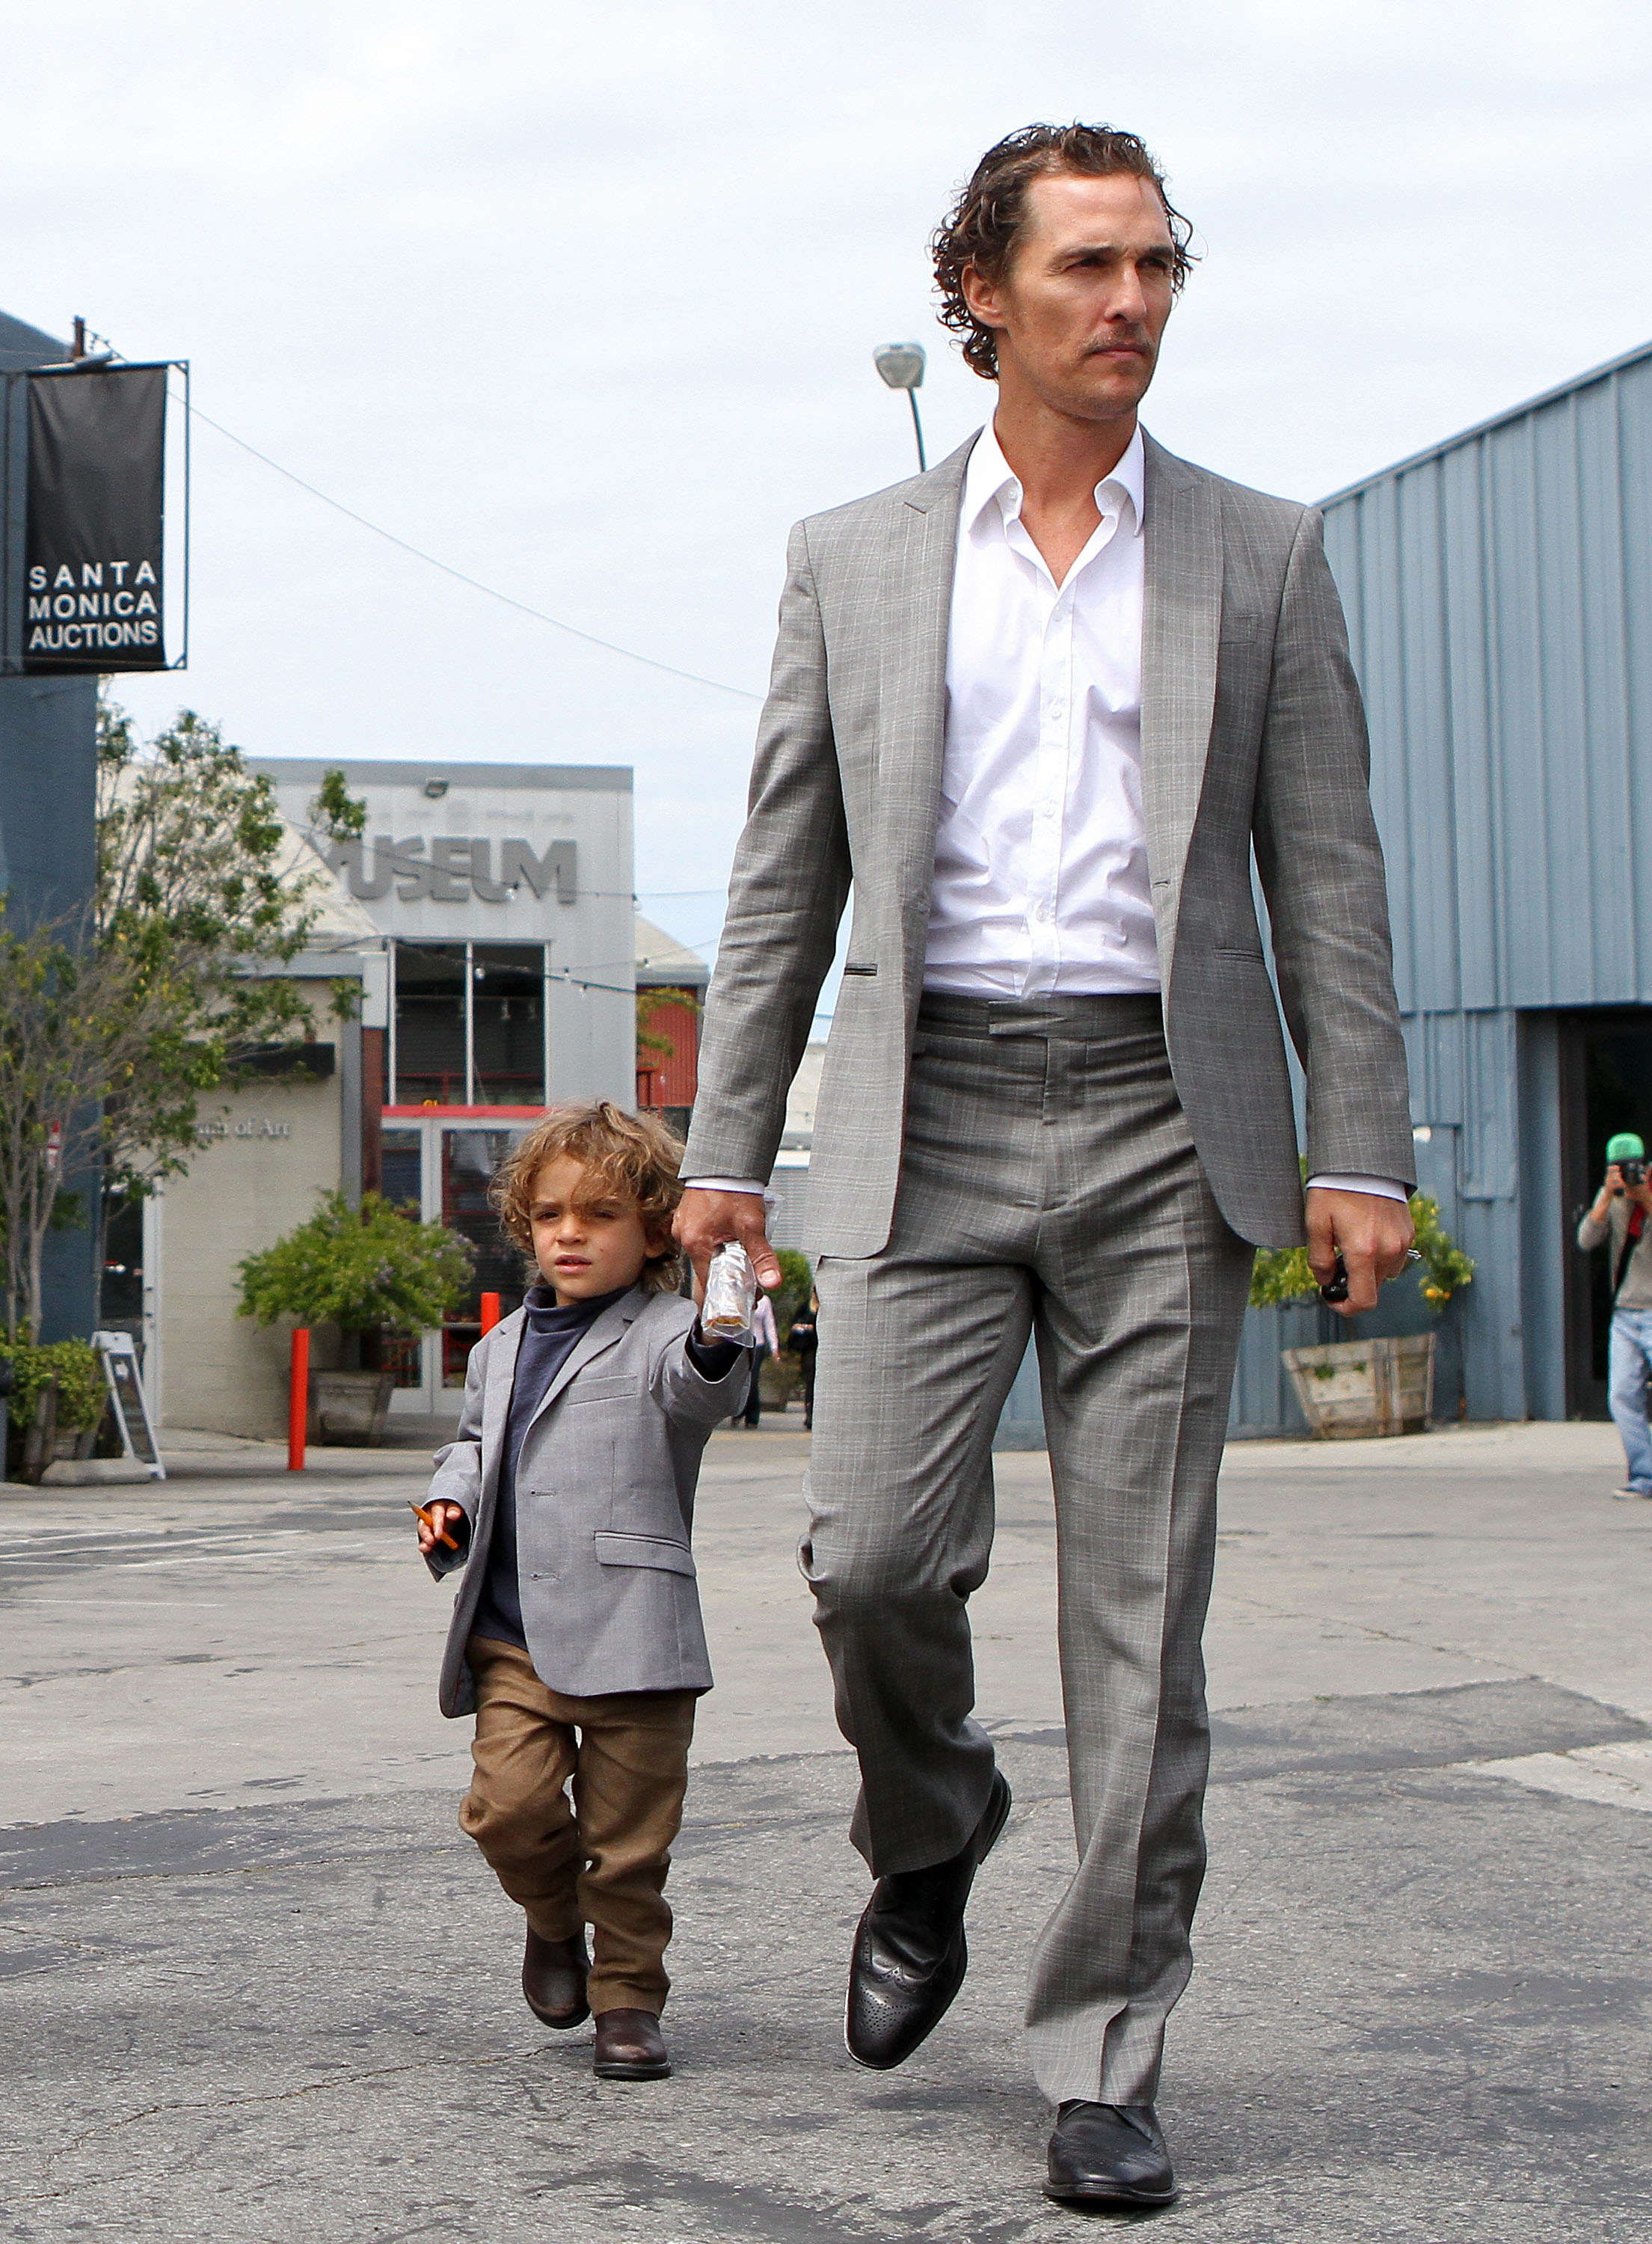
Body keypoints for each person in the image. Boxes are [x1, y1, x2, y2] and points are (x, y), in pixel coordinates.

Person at [675, 123, 1415, 2207]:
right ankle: (928, 1830)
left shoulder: (1260, 554)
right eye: (1092, 266)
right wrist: (727, 1151)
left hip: (1170, 1125)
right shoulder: (856, 557)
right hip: (923, 1121)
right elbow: (778, 880)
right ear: (981, 293)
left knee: (1141, 1620)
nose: (1136, 305)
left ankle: (1103, 2049)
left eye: (1162, 267)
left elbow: (1326, 878)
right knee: (872, 1563)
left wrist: (1361, 1144)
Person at [414, 1103, 751, 2082]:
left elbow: (703, 1389)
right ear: (524, 1223)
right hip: (512, 1631)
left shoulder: (668, 1332)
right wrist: (447, 1501)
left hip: (635, 1634)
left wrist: (723, 1325)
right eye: (552, 1213)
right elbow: (474, 1446)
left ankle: (630, 1998)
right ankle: (555, 1924)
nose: (571, 1231)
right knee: (506, 1808)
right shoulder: (499, 1346)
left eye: (600, 1214)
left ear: (653, 1231)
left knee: (629, 1842)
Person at [1576, 1131, 1652, 1499]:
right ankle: (1644, 1476)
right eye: (1619, 1167)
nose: (1627, 1173)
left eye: (1632, 1166)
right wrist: (1607, 1195)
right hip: (1625, 1314)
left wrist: (1646, 1198)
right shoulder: (1614, 1195)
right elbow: (1586, 1240)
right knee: (1622, 1395)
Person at [738, 1287, 781, 1426]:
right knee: (740, 1379)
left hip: (757, 1344)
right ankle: (739, 1411)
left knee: (753, 1379)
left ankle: (752, 1415)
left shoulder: (764, 1301)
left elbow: (769, 1325)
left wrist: (774, 1348)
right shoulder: (738, 1297)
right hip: (740, 1343)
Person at [789, 1289, 820, 1429]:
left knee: (819, 1384)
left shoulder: (826, 1307)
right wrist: (801, 1327)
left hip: (822, 1349)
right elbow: (794, 1323)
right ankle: (810, 1414)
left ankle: (817, 1413)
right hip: (808, 1351)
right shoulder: (805, 1307)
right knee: (811, 1383)